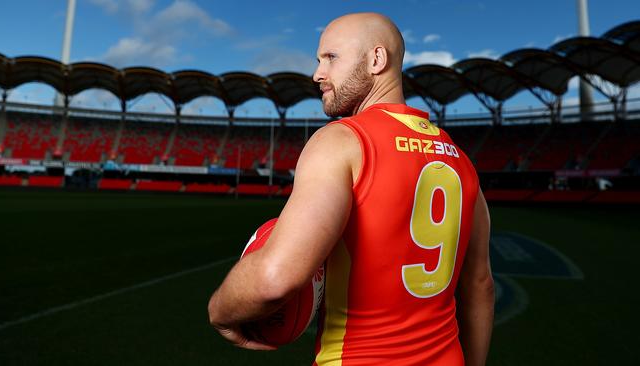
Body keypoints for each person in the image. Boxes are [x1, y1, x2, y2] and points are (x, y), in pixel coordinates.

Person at [208, 12, 494, 366]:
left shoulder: (342, 141)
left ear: (377, 60)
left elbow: (275, 278)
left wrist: (219, 310)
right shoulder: (461, 160)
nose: (317, 74)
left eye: (331, 57)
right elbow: (480, 285)